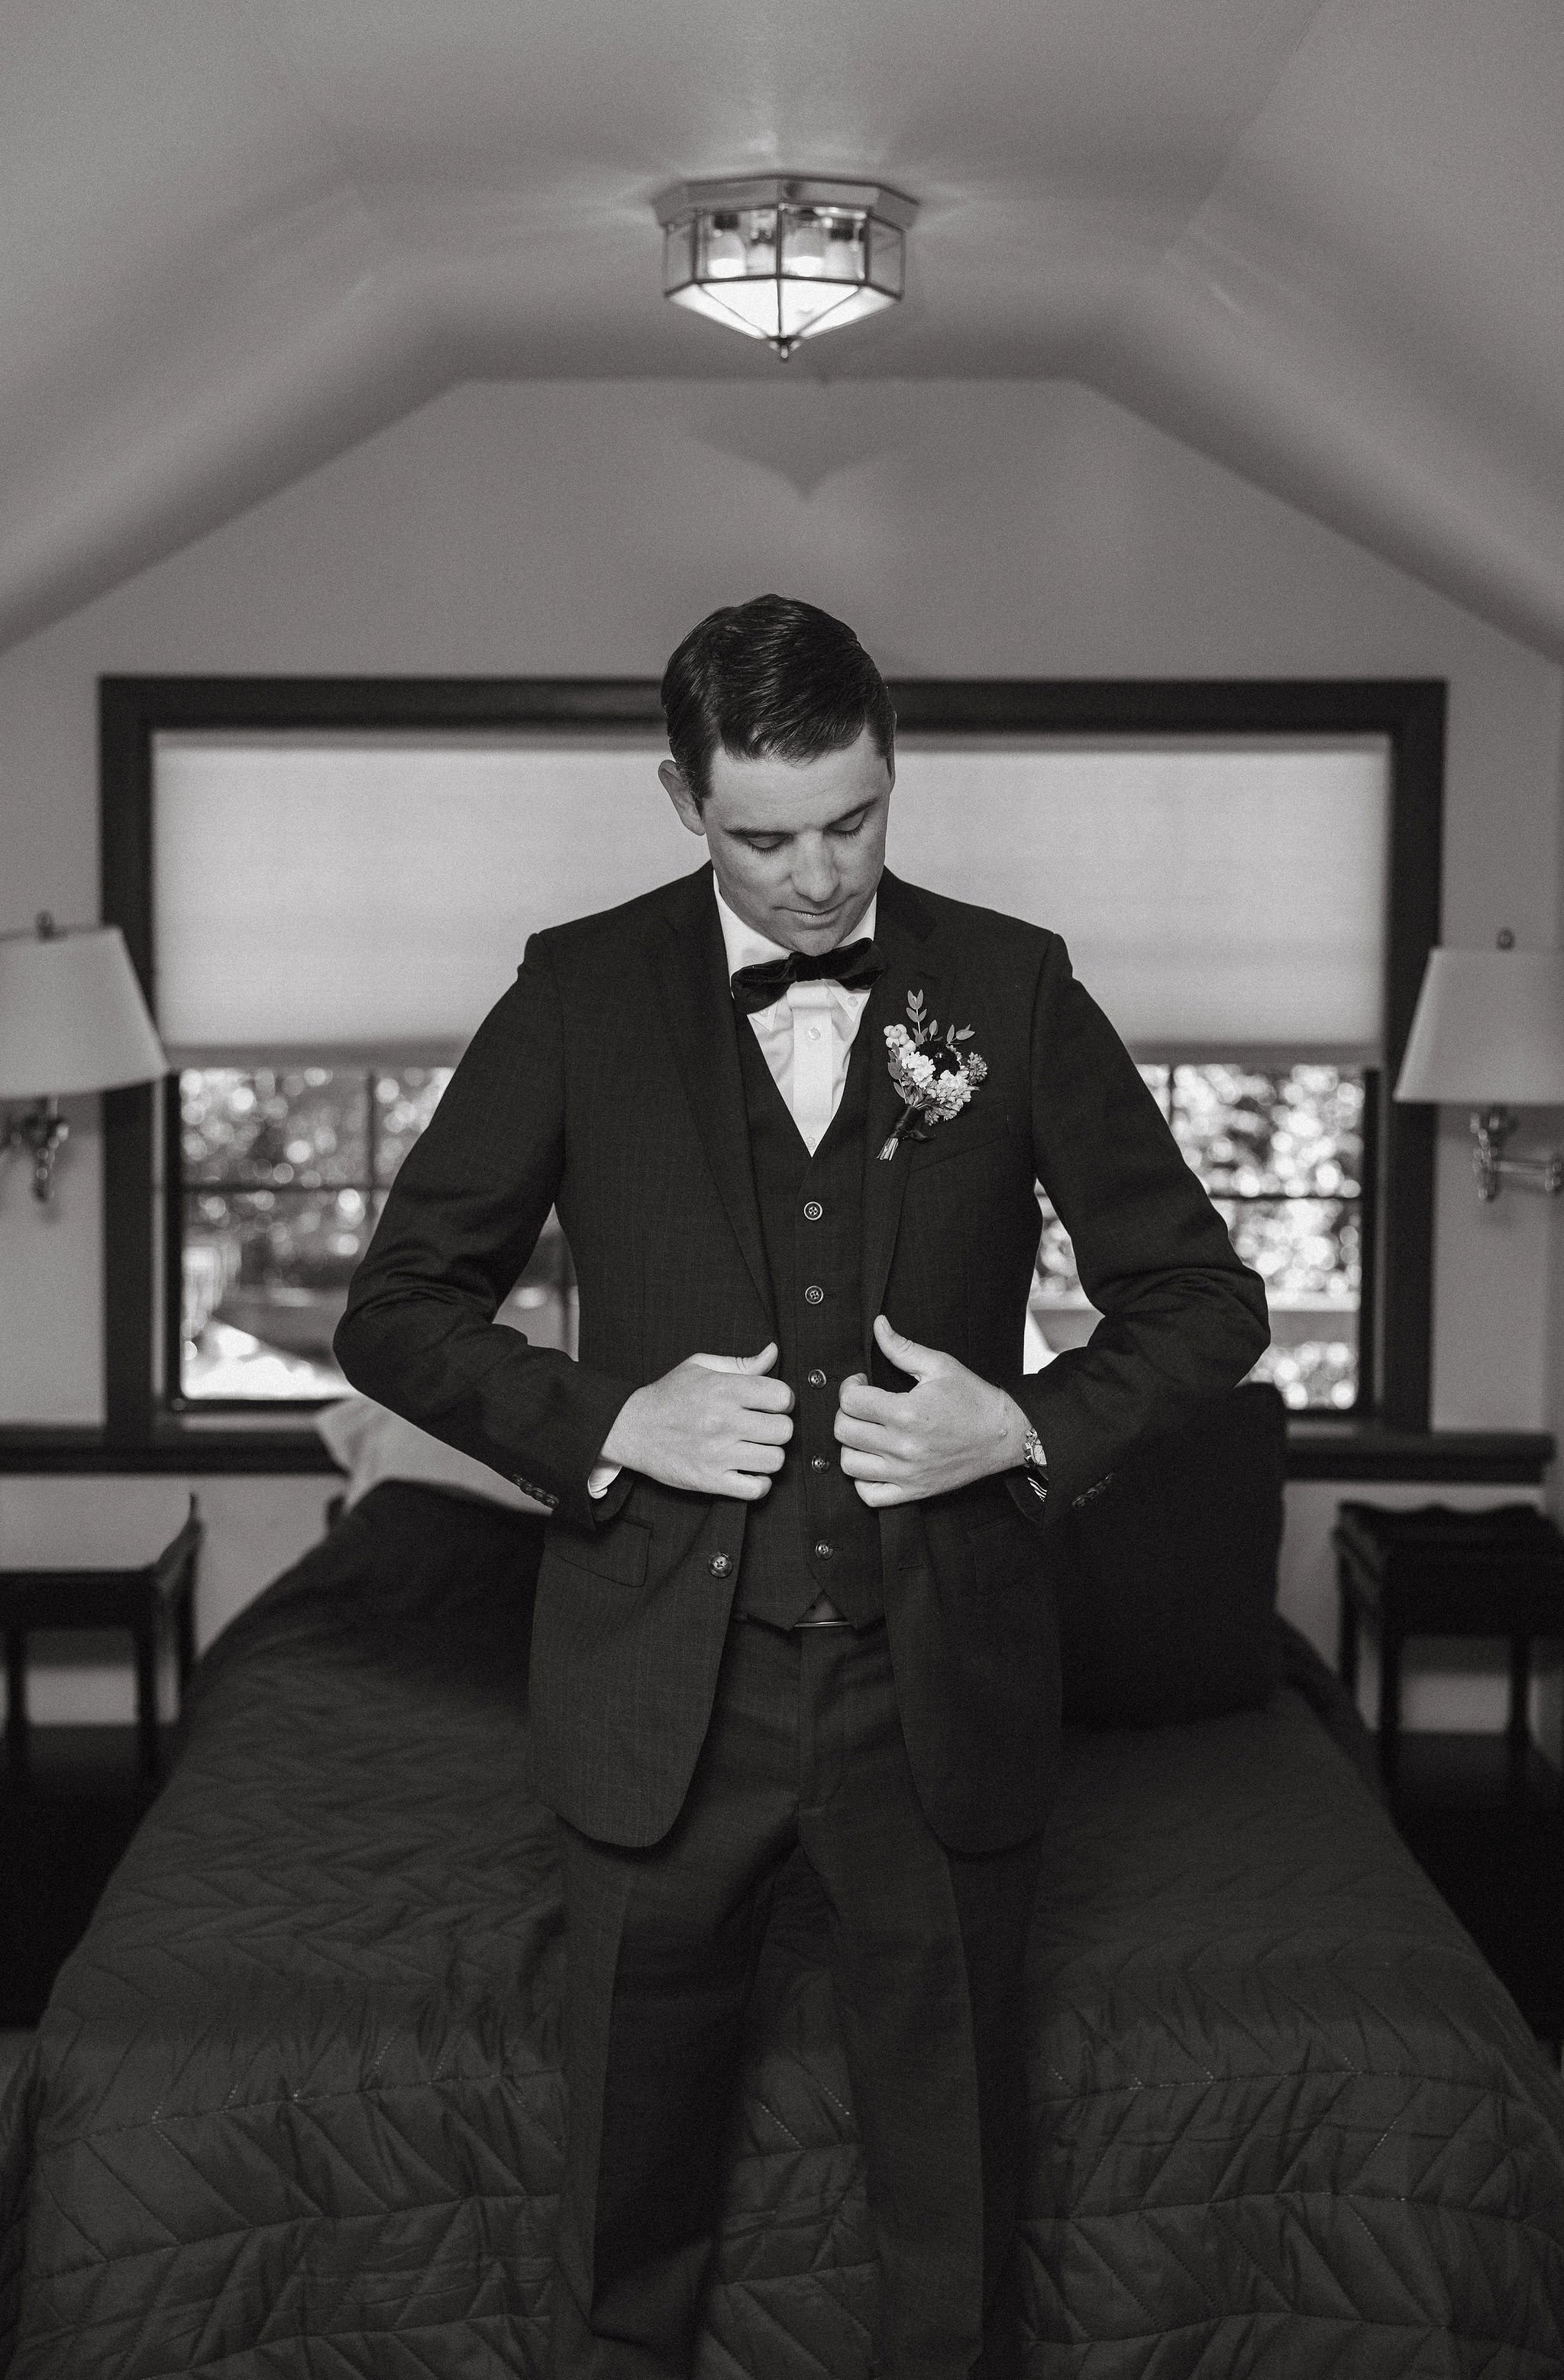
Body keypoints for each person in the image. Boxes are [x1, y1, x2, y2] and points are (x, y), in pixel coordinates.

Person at [334, 594, 1269, 2378]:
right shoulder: (575, 989)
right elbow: (396, 1311)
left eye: (853, 819)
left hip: (944, 1688)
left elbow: (1202, 1297)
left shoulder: (1008, 981)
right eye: (766, 835)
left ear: (890, 770)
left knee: (956, 2219)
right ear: (679, 798)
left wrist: (1027, 1428)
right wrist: (609, 1421)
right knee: (625, 2220)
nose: (819, 876)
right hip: (656, 1695)